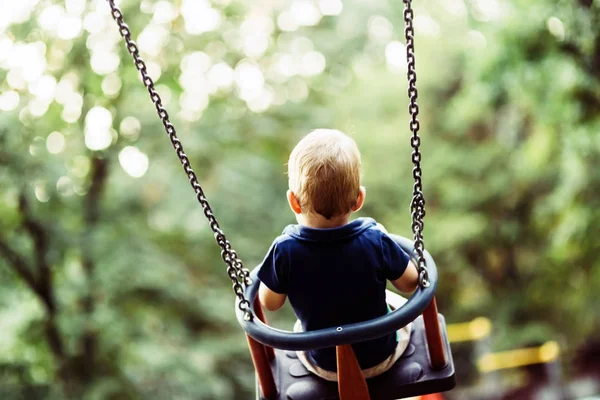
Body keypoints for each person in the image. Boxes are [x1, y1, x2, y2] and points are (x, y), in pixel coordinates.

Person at [257, 129, 419, 381]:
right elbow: (410, 283)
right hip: (381, 357)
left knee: (301, 328)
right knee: (394, 303)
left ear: (294, 202)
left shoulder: (285, 250)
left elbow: (270, 303)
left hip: (324, 366)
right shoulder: (374, 238)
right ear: (359, 199)